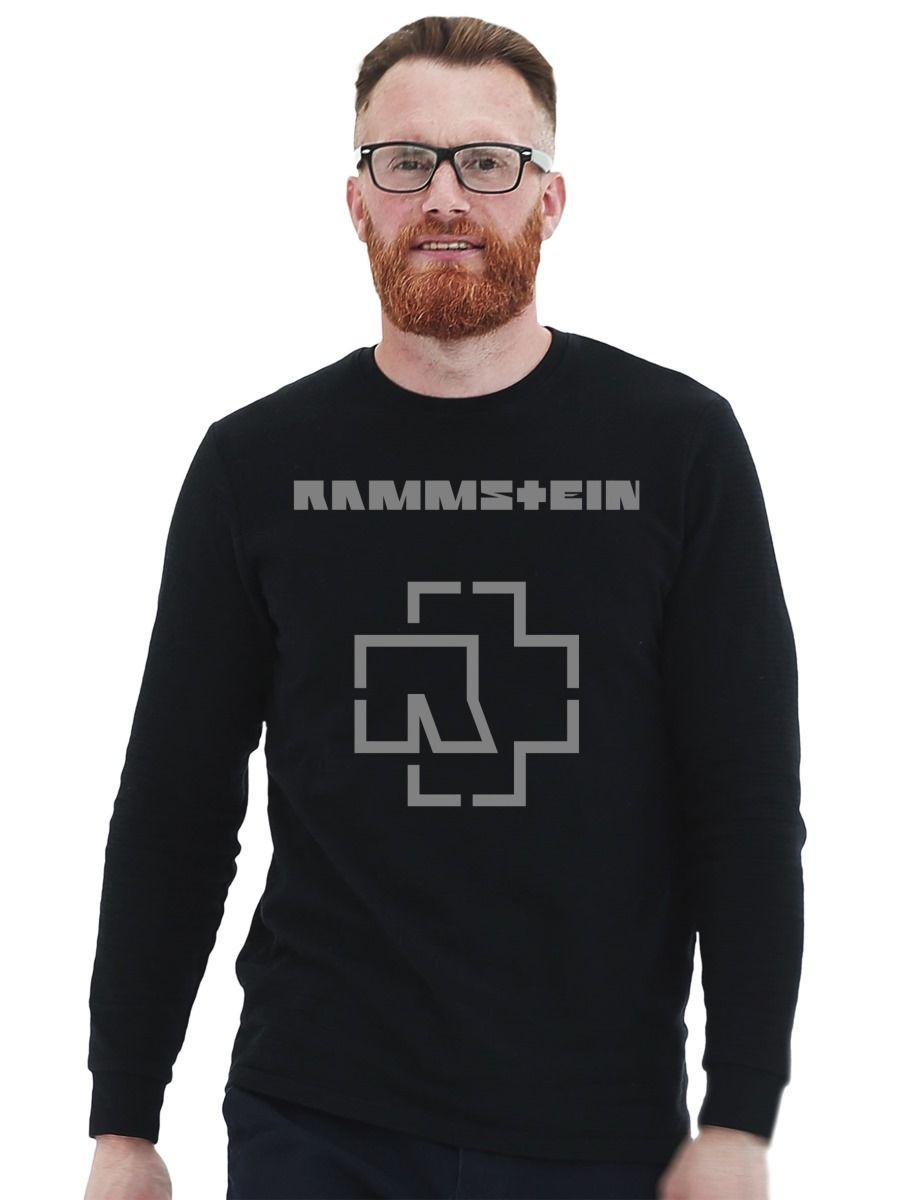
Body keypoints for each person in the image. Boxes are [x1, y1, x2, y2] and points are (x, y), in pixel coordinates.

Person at [84, 15, 805, 1200]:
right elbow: (175, 806)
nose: (446, 196)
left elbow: (744, 803)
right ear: (356, 202)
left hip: (600, 1125)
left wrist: (740, 1114)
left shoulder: (680, 450)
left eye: (489, 162)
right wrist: (124, 1120)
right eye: (406, 160)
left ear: (551, 201)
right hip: (317, 1120)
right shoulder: (254, 467)